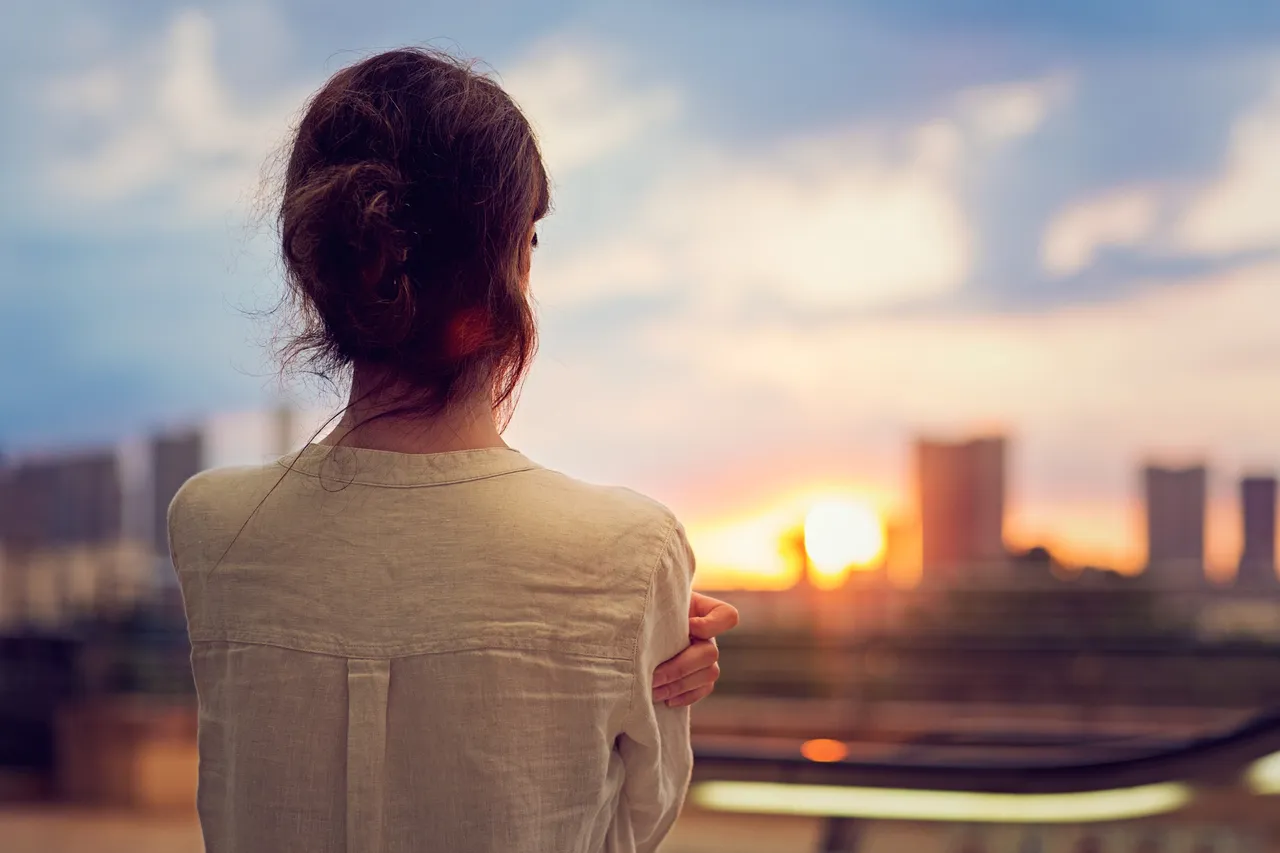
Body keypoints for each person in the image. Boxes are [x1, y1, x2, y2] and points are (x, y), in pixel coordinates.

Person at [167, 47, 738, 853]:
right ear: (510, 262)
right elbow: (623, 831)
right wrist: (639, 637)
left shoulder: (210, 524)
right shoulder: (633, 550)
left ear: (323, 264)